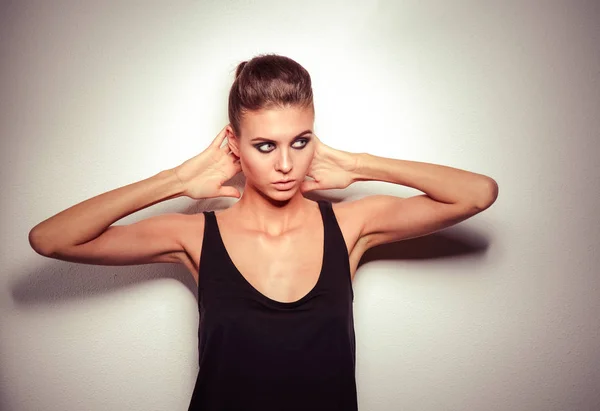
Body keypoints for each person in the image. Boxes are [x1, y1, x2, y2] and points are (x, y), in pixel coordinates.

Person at [28, 53, 498, 410]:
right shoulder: (195, 237)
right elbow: (51, 239)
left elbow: (477, 193)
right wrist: (177, 180)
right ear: (234, 144)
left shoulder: (351, 225)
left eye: (300, 141)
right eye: (264, 145)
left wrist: (356, 165)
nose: (286, 165)